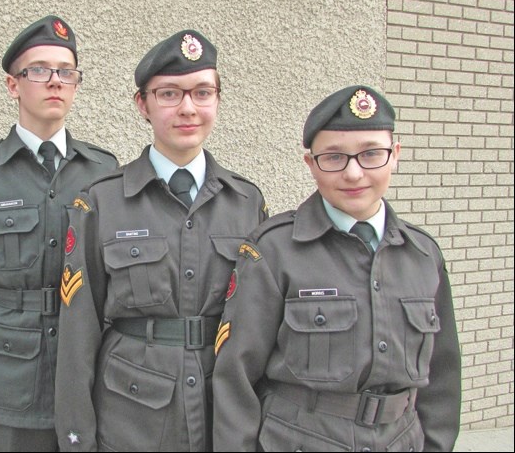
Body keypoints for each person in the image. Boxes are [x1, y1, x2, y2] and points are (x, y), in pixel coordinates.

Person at [212, 85, 461, 451]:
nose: (354, 173)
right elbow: (235, 380)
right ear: (310, 164)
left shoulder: (423, 256)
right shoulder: (274, 251)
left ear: (396, 155)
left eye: (371, 154)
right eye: (334, 158)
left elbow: (442, 380)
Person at [53, 30, 268, 451]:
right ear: (142, 105)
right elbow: (78, 333)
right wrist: (77, 438)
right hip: (132, 417)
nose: (188, 107)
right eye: (169, 93)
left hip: (219, 413)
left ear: (218, 101)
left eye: (202, 92)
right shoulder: (102, 201)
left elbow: (257, 328)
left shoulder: (247, 202)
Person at [0, 15, 119, 451]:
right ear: (12, 85)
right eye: (38, 70)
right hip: (6, 374)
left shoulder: (104, 172)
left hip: (84, 371)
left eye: (66, 72)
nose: (54, 81)